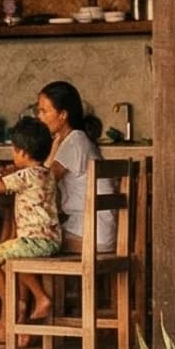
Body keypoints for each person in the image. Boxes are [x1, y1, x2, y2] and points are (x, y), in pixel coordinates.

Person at [0, 116, 64, 348]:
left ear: (22, 152)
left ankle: (16, 302)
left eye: (14, 150)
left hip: (32, 241)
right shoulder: (45, 173)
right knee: (8, 261)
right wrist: (10, 170)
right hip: (50, 239)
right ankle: (37, 299)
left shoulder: (25, 176)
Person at [34, 80, 116, 254]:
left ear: (63, 114)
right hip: (95, 229)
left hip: (92, 234)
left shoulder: (75, 141)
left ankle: (13, 280)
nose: (39, 117)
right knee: (26, 238)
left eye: (44, 111)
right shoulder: (70, 139)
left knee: (30, 242)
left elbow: (43, 182)